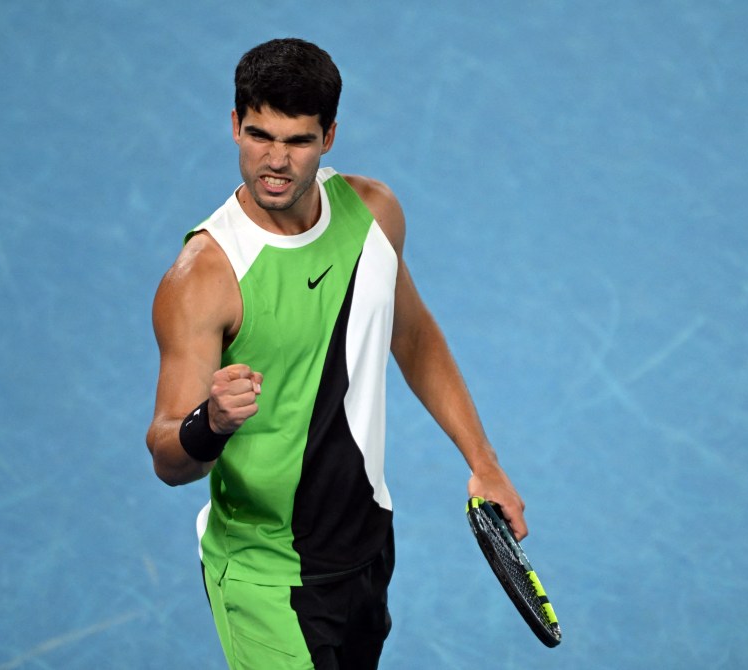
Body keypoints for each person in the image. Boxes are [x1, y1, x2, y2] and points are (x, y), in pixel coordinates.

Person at [146, 37, 527, 670]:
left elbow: (412, 335)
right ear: (234, 124)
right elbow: (167, 457)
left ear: (328, 137)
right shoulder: (204, 278)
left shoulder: (374, 214)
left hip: (366, 544)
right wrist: (208, 423)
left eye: (297, 141)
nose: (274, 161)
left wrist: (483, 462)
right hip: (266, 575)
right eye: (258, 135)